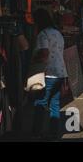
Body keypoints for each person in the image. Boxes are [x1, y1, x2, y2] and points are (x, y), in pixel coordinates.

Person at [31, 8, 68, 139]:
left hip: (48, 73)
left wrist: (33, 59)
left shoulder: (43, 34)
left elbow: (44, 54)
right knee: (54, 104)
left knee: (40, 102)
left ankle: (37, 132)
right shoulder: (57, 33)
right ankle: (54, 132)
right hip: (60, 72)